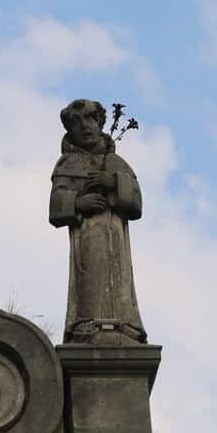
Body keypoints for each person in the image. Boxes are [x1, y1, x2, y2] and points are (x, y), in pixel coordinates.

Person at [49, 99, 147, 345]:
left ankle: (126, 323)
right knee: (91, 274)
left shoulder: (115, 163)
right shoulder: (67, 164)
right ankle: (85, 322)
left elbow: (135, 203)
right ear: (69, 130)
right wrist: (78, 204)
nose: (85, 126)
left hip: (115, 236)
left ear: (101, 122)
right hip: (88, 234)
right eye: (77, 122)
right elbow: (55, 205)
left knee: (118, 276)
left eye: (90, 119)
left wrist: (112, 182)